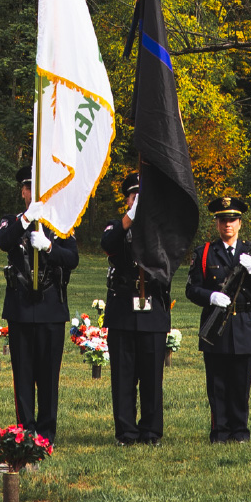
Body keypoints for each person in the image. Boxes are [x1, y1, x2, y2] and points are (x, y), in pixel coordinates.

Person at [0, 164, 78, 444]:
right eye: (29, 187)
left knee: (48, 375)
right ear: (22, 192)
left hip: (51, 307)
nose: (33, 192)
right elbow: (4, 242)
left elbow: (73, 259)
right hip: (20, 307)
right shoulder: (11, 220)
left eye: (39, 188)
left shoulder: (60, 225)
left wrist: (49, 247)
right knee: (23, 374)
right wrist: (25, 221)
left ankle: (47, 431)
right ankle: (26, 429)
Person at [185, 195, 251, 444]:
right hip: (216, 326)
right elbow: (191, 289)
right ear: (216, 223)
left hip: (245, 323)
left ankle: (240, 432)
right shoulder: (204, 253)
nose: (228, 225)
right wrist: (211, 296)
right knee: (217, 384)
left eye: (232, 220)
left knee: (241, 383)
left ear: (240, 223)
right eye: (223, 220)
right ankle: (220, 432)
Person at [100, 171, 171, 445]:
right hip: (123, 312)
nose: (138, 200)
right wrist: (131, 219)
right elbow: (108, 244)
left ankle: (151, 431)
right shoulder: (115, 225)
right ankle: (126, 432)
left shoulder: (162, 229)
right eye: (134, 196)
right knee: (123, 376)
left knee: (152, 377)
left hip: (152, 311)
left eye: (144, 196)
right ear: (127, 200)